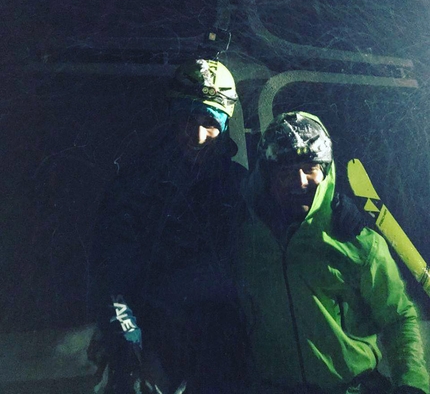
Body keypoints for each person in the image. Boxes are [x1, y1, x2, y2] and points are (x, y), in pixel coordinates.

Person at [235, 111, 429, 394]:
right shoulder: (247, 239)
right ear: (267, 177)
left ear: (325, 170)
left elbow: (398, 317)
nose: (300, 181)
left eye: (310, 167)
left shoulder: (357, 240)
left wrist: (412, 382)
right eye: (286, 172)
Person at [88, 58, 249, 393]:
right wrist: (130, 346)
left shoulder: (239, 186)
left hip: (219, 351)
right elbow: (111, 273)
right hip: (151, 349)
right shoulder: (136, 185)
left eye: (210, 122)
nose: (198, 134)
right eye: (189, 118)